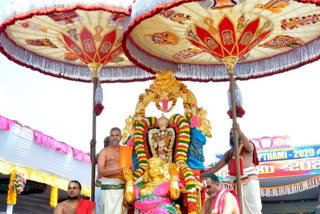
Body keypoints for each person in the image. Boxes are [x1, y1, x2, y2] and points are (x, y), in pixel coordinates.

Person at [202, 123, 261, 214]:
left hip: (249, 181)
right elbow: (216, 168)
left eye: (234, 133)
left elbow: (249, 147)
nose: (232, 135)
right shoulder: (228, 154)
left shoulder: (247, 146)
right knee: (239, 208)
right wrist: (199, 174)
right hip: (236, 183)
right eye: (230, 134)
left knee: (254, 208)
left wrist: (239, 130)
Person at [98, 127, 132, 214]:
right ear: (109, 138)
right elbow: (100, 171)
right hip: (108, 188)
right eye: (112, 135)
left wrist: (128, 179)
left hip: (122, 187)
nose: (114, 137)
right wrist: (118, 171)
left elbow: (132, 170)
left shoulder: (126, 151)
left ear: (121, 137)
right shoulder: (104, 152)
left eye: (117, 135)